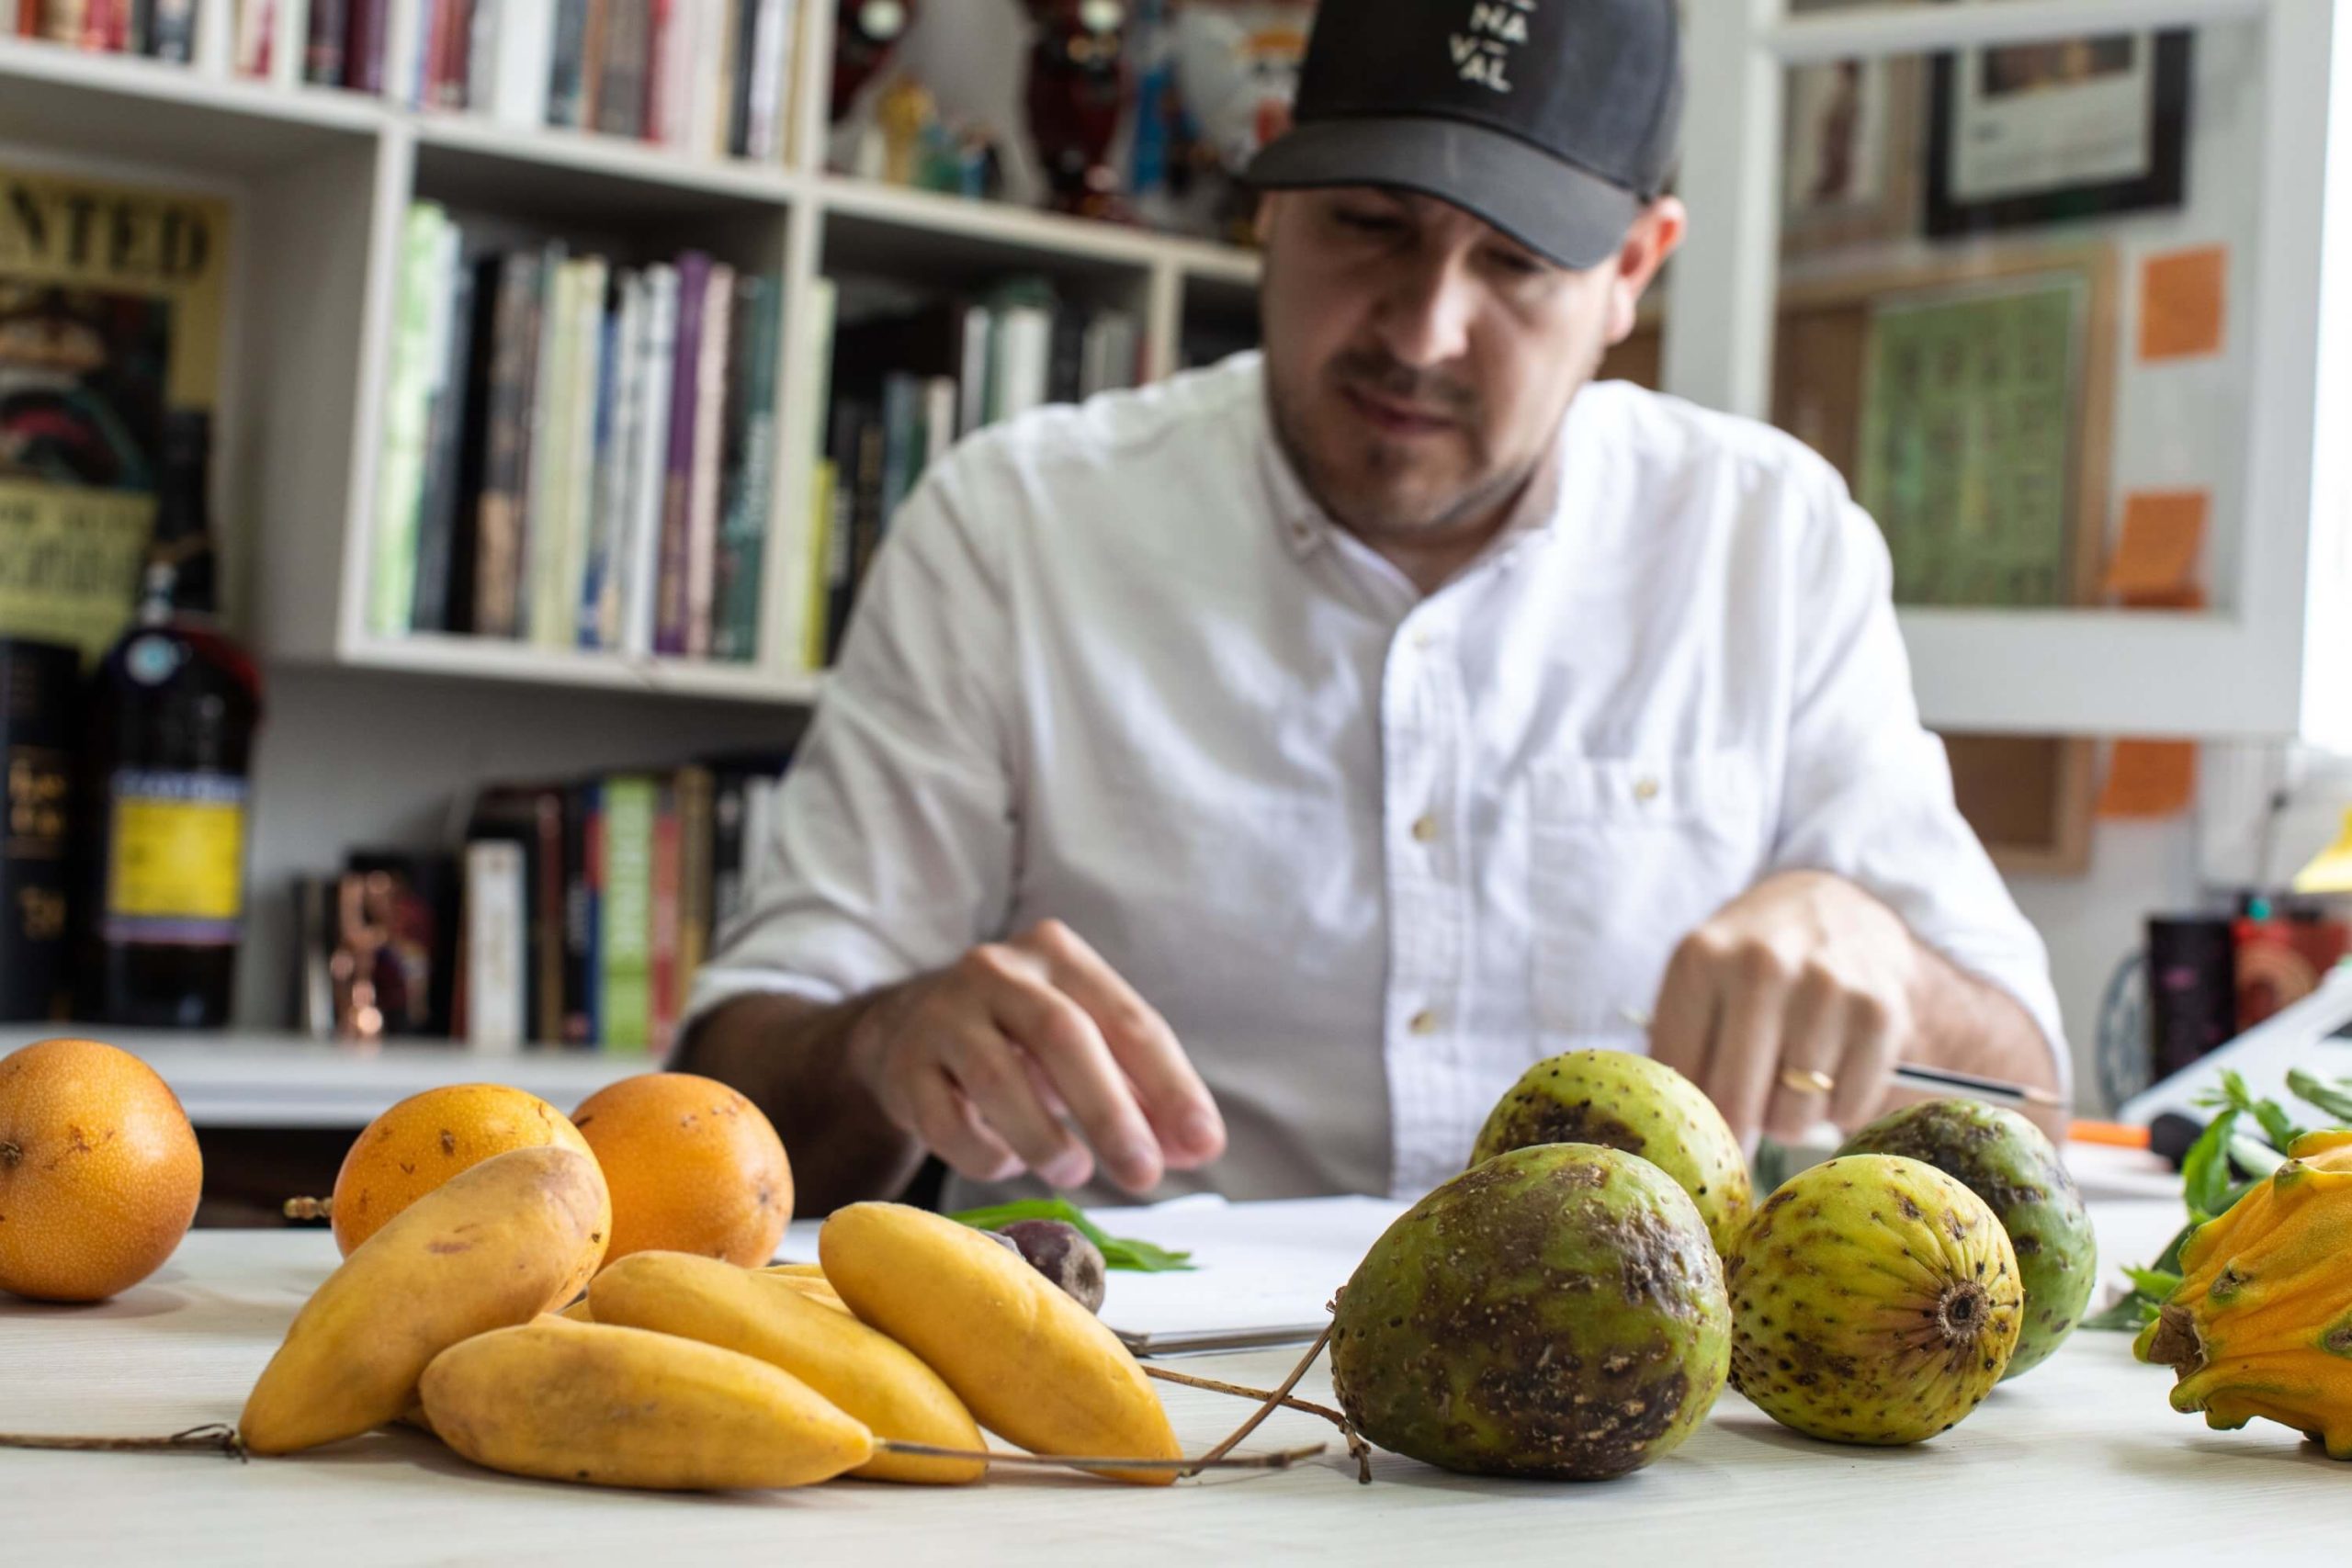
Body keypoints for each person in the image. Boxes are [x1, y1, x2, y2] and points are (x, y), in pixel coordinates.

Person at [681, 0, 2067, 1215]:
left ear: (1633, 272)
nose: (1421, 331)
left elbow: (2036, 1120)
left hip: (1634, 1433)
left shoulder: (1770, 540)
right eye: (1368, 226)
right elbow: (726, 1114)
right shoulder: (1015, 529)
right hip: (1128, 1417)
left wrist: (1890, 963)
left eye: (1515, 263)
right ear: (1273, 199)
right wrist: (883, 1042)